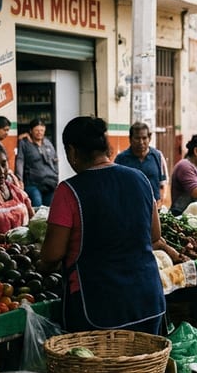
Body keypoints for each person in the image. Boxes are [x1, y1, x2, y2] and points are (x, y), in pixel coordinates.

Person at [39, 117, 173, 334]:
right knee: (145, 367)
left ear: (72, 152)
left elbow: (51, 255)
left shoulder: (68, 191)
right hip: (147, 300)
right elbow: (154, 234)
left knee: (103, 368)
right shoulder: (140, 179)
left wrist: (42, 267)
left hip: (99, 306)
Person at [114, 122, 168, 207]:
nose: (141, 142)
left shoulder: (158, 156)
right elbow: (115, 186)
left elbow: (163, 184)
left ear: (149, 138)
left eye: (144, 138)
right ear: (130, 139)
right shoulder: (121, 159)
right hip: (129, 208)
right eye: (137, 138)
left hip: (153, 208)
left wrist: (160, 201)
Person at [15, 119, 59, 207]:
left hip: (50, 182)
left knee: (49, 209)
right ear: (31, 131)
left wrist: (56, 175)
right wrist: (19, 179)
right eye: (37, 130)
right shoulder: (24, 143)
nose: (39, 133)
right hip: (33, 183)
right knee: (37, 206)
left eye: (42, 130)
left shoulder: (47, 143)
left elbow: (55, 160)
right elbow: (20, 160)